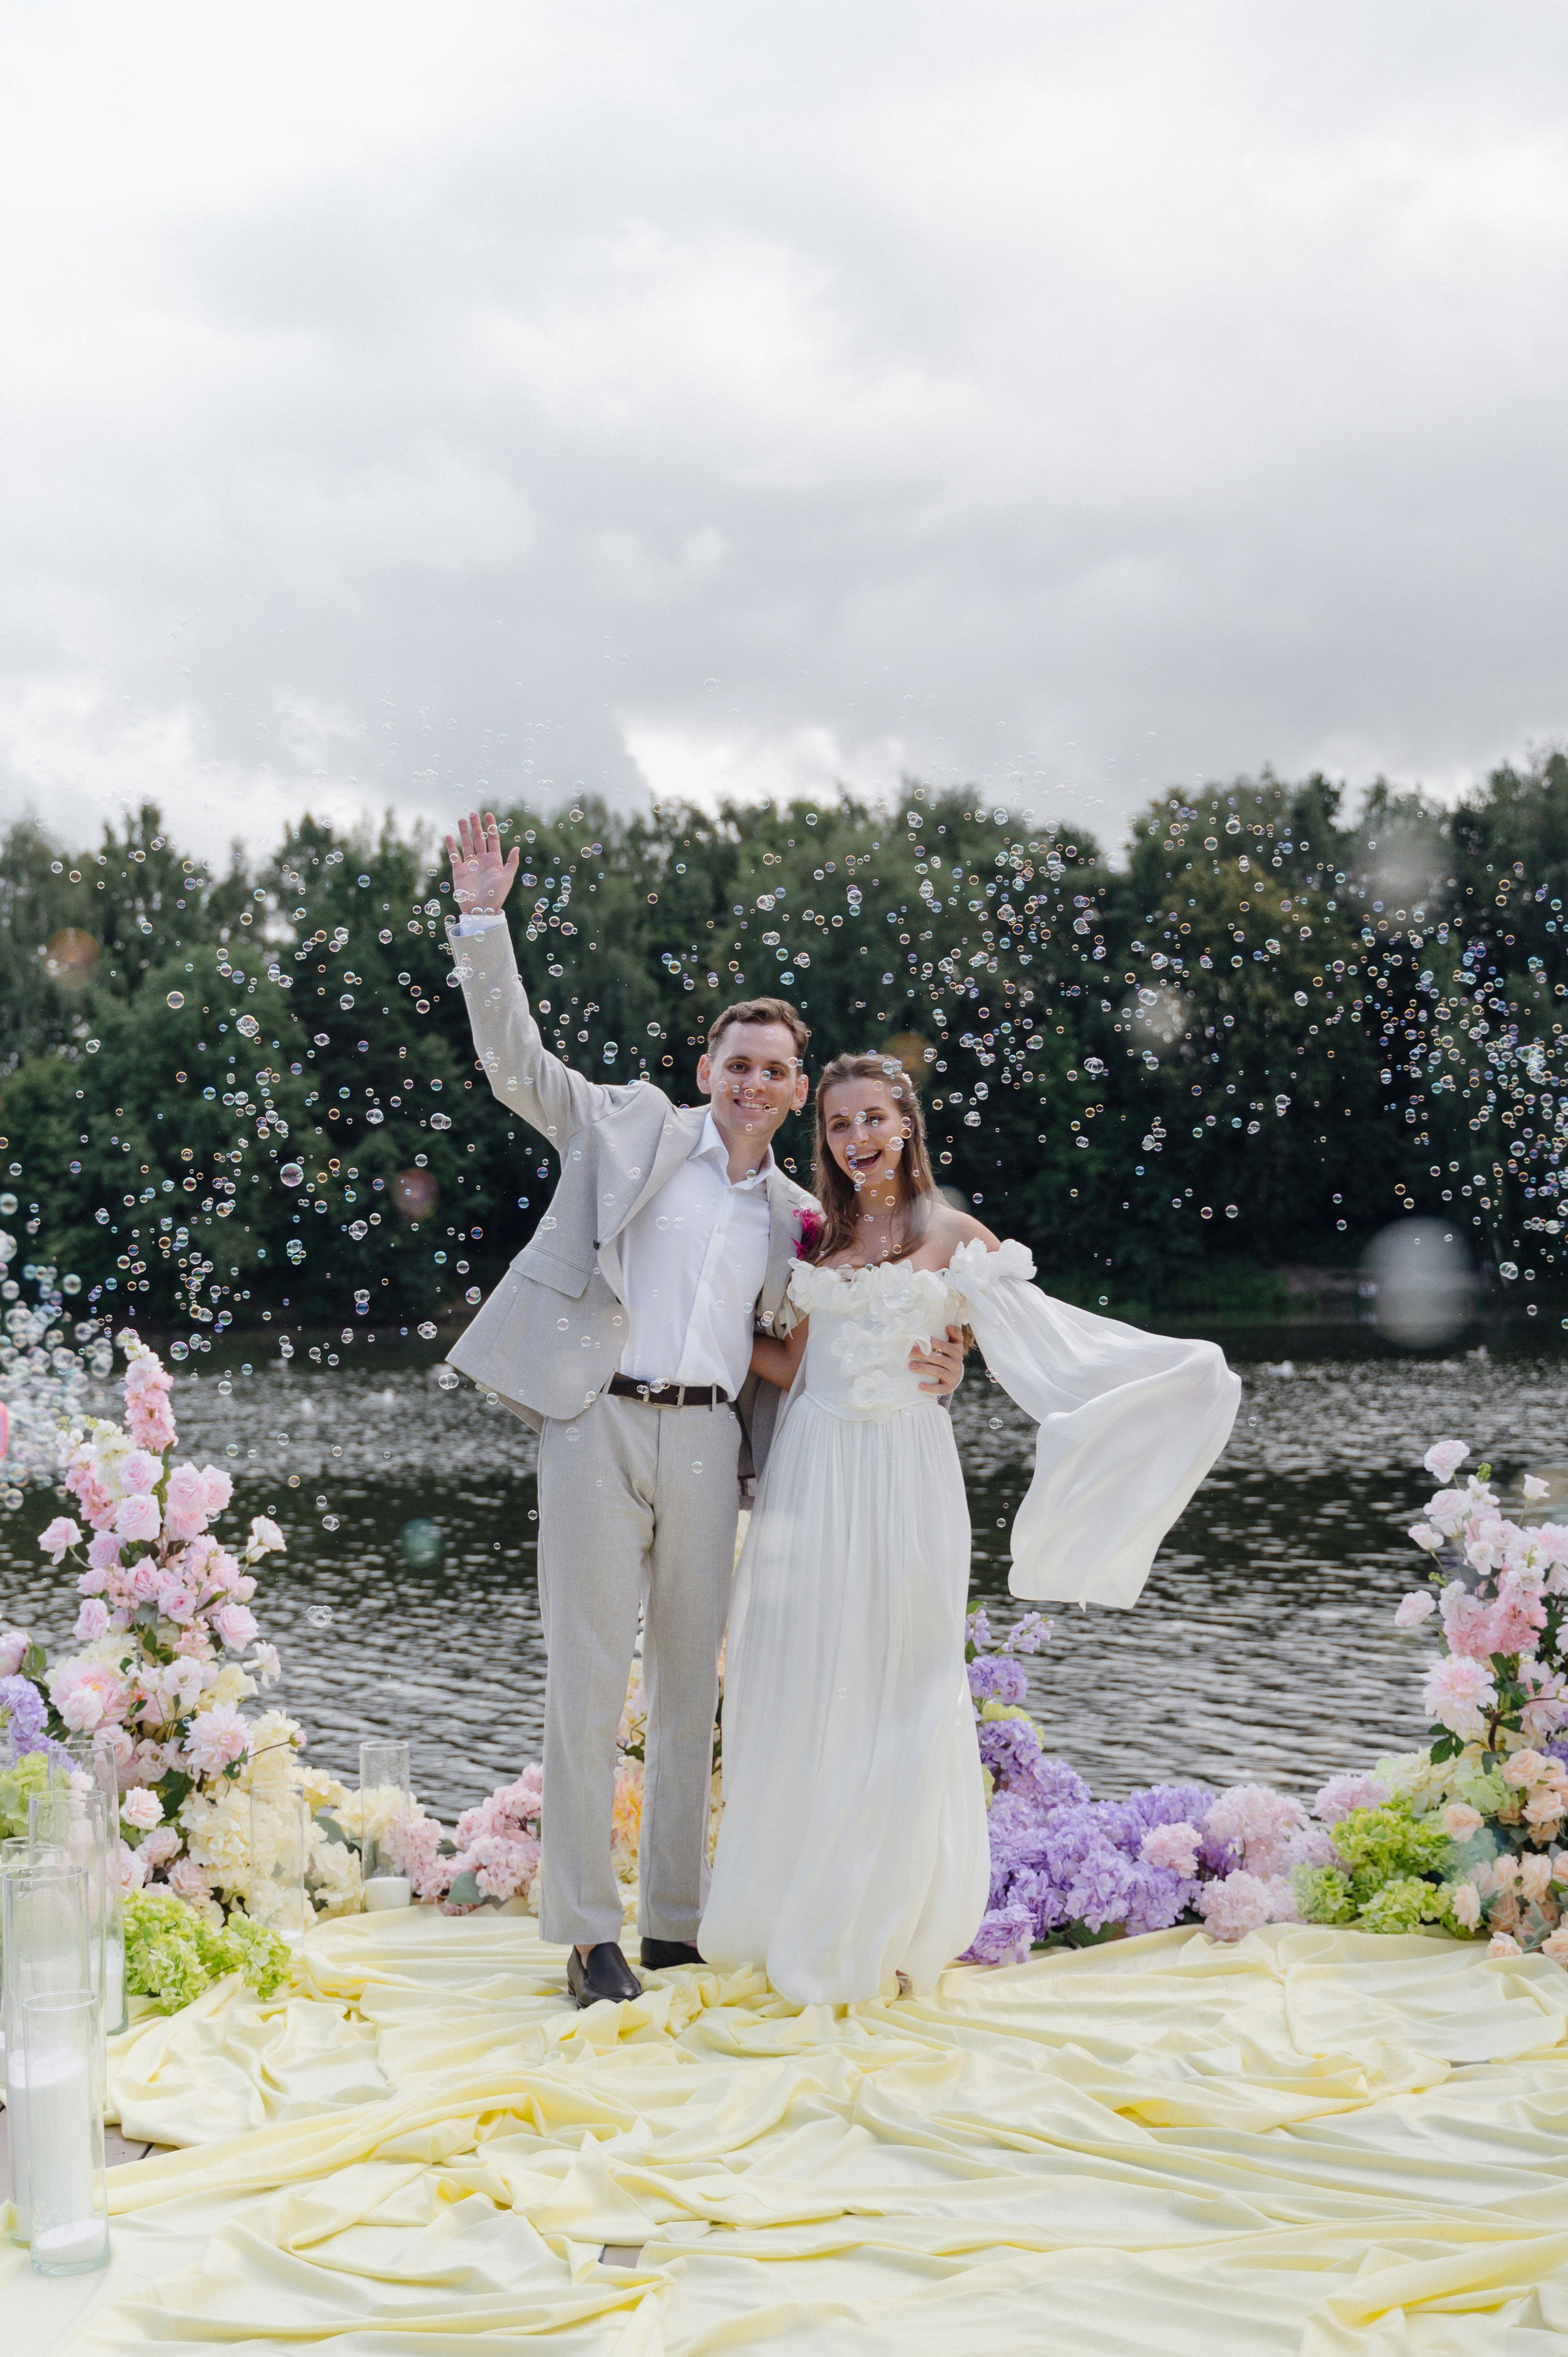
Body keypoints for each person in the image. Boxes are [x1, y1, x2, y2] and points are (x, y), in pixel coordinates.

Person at [440, 813, 965, 2007]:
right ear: (705, 1071)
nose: (754, 1081)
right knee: (583, 1678)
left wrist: (936, 1354)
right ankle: (586, 1931)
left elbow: (846, 1327)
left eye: (776, 1068)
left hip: (711, 1444)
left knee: (689, 1689)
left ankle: (673, 1923)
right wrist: (483, 922)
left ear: (795, 1089)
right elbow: (515, 1062)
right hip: (596, 1423)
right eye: (736, 1061)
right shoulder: (626, 1127)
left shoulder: (796, 1218)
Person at [699, 1051, 1242, 2005]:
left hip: (906, 1473)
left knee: (906, 1687)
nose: (855, 1138)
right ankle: (796, 1903)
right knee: (808, 1680)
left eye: (871, 1118)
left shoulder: (954, 1235)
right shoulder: (822, 1244)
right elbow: (792, 1364)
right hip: (813, 1475)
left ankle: (888, 1922)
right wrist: (690, 1320)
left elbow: (1035, 1343)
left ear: (905, 1123)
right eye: (835, 1125)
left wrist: (964, 1366)